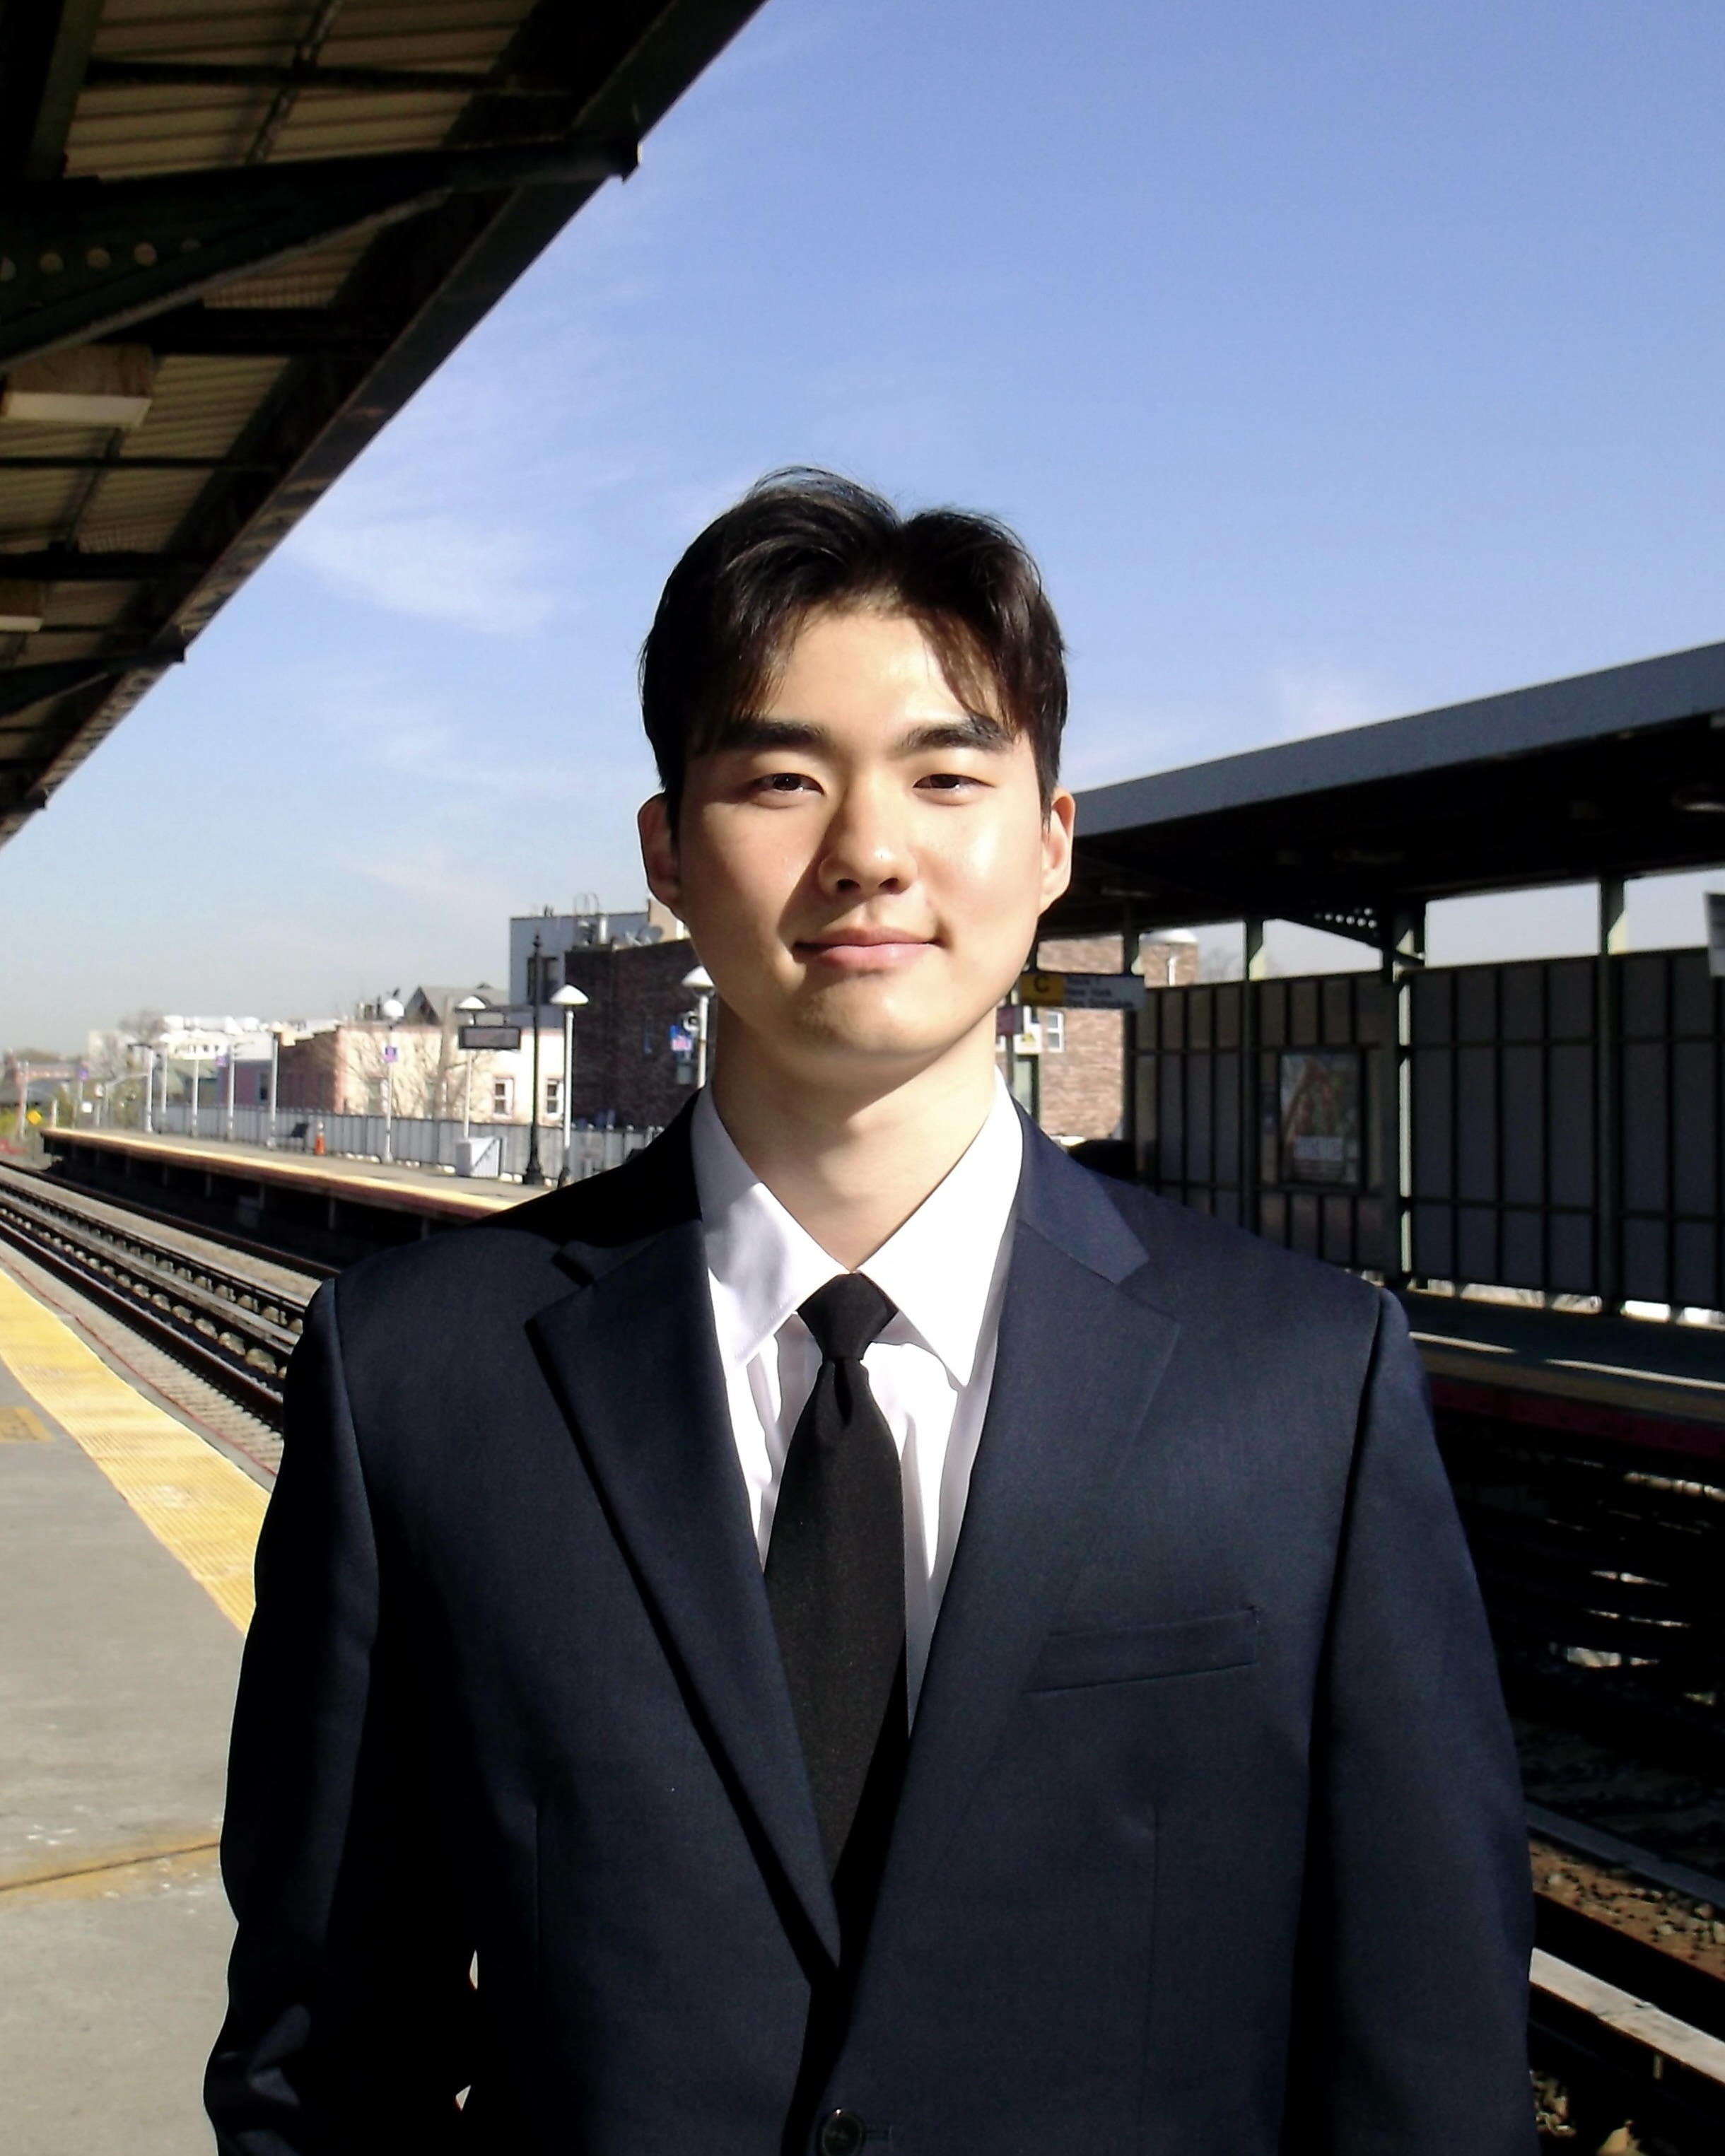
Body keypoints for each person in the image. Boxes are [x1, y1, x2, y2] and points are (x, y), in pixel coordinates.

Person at [207, 471, 1535, 2155]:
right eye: (779, 778)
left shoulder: (1297, 1386)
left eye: (946, 774)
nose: (867, 853)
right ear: (666, 851)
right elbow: (325, 2058)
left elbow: (1424, 2065)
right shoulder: (417, 1381)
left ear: (1050, 840)